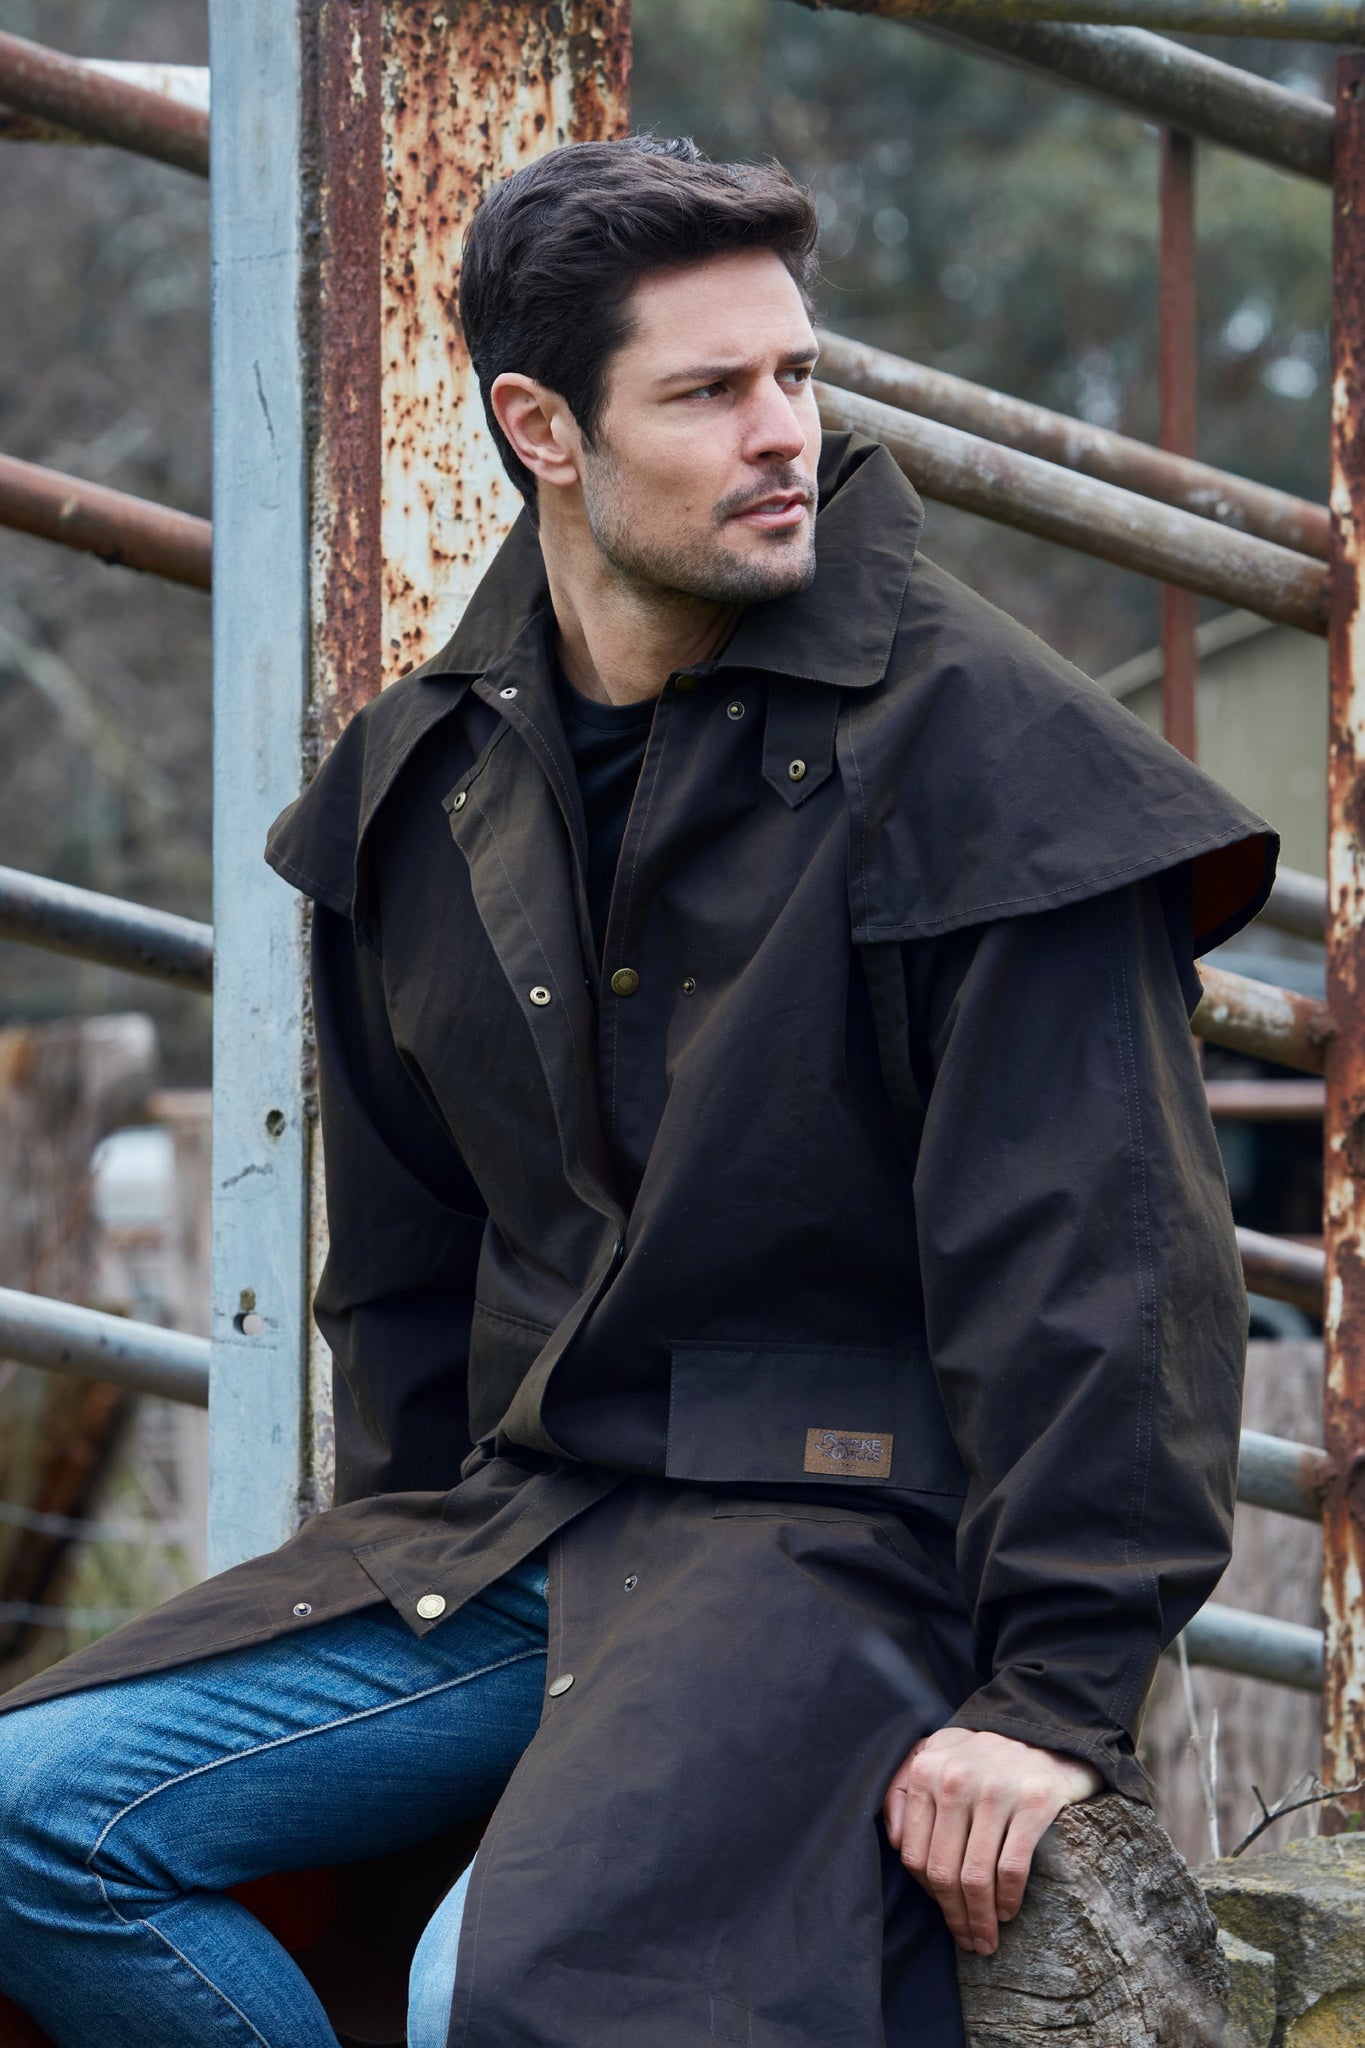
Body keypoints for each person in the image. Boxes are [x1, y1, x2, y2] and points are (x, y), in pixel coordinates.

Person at [0, 137, 1274, 2048]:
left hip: (845, 1546)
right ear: (542, 427)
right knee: (34, 1822)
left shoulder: (988, 754)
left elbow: (1107, 1265)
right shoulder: (424, 783)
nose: (784, 436)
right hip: (521, 1538)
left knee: (500, 1993)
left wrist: (1050, 1696)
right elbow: (404, 1288)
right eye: (708, 392)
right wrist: (394, 1624)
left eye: (797, 374)